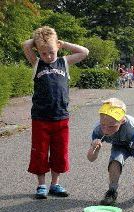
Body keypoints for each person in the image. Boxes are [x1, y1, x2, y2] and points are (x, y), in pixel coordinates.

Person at [22, 26, 89, 199]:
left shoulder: (64, 62)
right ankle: (41, 185)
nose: (48, 57)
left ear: (57, 47)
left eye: (51, 52)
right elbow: (25, 45)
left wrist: (61, 43)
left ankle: (55, 184)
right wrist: (38, 41)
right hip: (40, 119)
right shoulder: (37, 63)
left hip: (61, 118)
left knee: (59, 152)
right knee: (40, 152)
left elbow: (84, 52)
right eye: (44, 54)